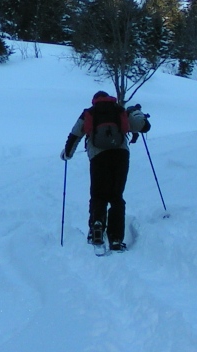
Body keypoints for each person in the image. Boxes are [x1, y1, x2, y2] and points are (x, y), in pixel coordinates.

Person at [60, 91, 151, 251]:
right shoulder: (119, 109)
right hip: (120, 155)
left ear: (94, 100)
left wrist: (68, 153)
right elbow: (144, 127)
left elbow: (75, 134)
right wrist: (136, 113)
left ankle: (97, 225)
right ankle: (115, 239)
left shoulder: (89, 112)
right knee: (116, 197)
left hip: (98, 156)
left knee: (98, 195)